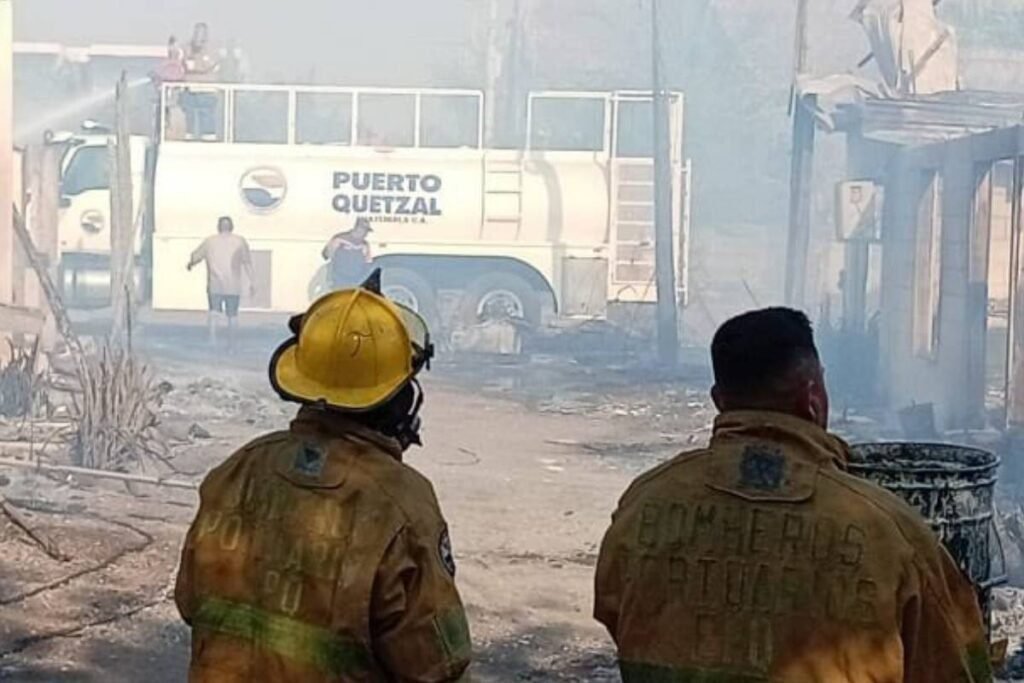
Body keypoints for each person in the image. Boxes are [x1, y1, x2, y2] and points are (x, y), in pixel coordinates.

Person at [594, 307, 993, 683]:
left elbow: (618, 615)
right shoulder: (892, 532)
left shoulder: (643, 505)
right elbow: (956, 666)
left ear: (719, 401)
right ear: (812, 399)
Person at [175, 271, 472, 682]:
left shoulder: (239, 468)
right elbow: (433, 664)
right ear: (399, 400)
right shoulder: (401, 503)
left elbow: (191, 603)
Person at [187, 216, 255, 348]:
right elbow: (247, 263)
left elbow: (196, 256)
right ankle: (232, 342)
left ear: (219, 226)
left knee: (214, 312)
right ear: (232, 226)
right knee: (232, 315)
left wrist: (190, 264)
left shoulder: (210, 241)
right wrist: (252, 282)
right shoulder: (239, 241)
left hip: (215, 284)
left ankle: (213, 340)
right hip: (233, 285)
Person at [322, 217, 372, 290]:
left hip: (356, 281)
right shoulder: (339, 239)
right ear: (357, 228)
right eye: (364, 231)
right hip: (339, 279)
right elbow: (326, 255)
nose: (365, 234)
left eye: (366, 231)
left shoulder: (364, 244)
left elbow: (368, 263)